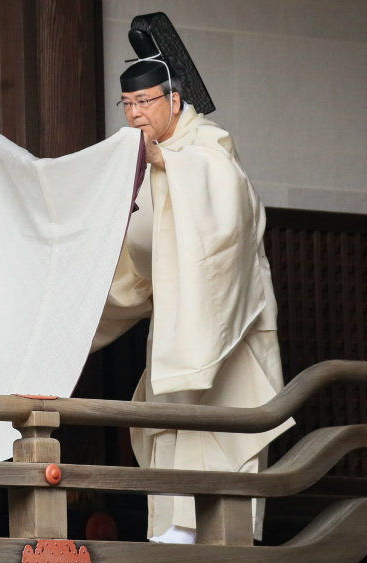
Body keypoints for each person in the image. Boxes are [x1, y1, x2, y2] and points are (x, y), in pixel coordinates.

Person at [91, 13, 293, 544]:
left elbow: (225, 200)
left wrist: (166, 163)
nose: (134, 115)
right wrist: (79, 320)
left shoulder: (207, 149)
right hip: (174, 335)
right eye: (127, 106)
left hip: (227, 340)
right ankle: (171, 539)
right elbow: (137, 274)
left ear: (174, 101)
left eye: (145, 104)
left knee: (219, 444)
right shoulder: (144, 164)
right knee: (173, 442)